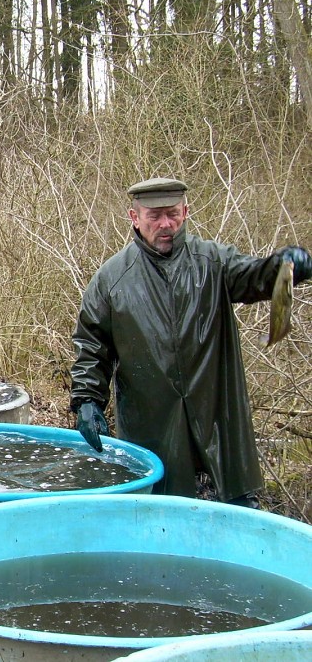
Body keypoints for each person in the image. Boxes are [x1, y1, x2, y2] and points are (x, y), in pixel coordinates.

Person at [69, 177, 311, 508]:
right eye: (154, 216)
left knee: (235, 518)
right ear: (134, 218)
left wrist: (285, 266)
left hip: (218, 422)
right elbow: (91, 347)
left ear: (185, 212)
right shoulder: (111, 280)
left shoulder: (213, 262)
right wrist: (87, 400)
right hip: (151, 425)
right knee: (162, 521)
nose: (165, 224)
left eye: (172, 214)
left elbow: (256, 276)